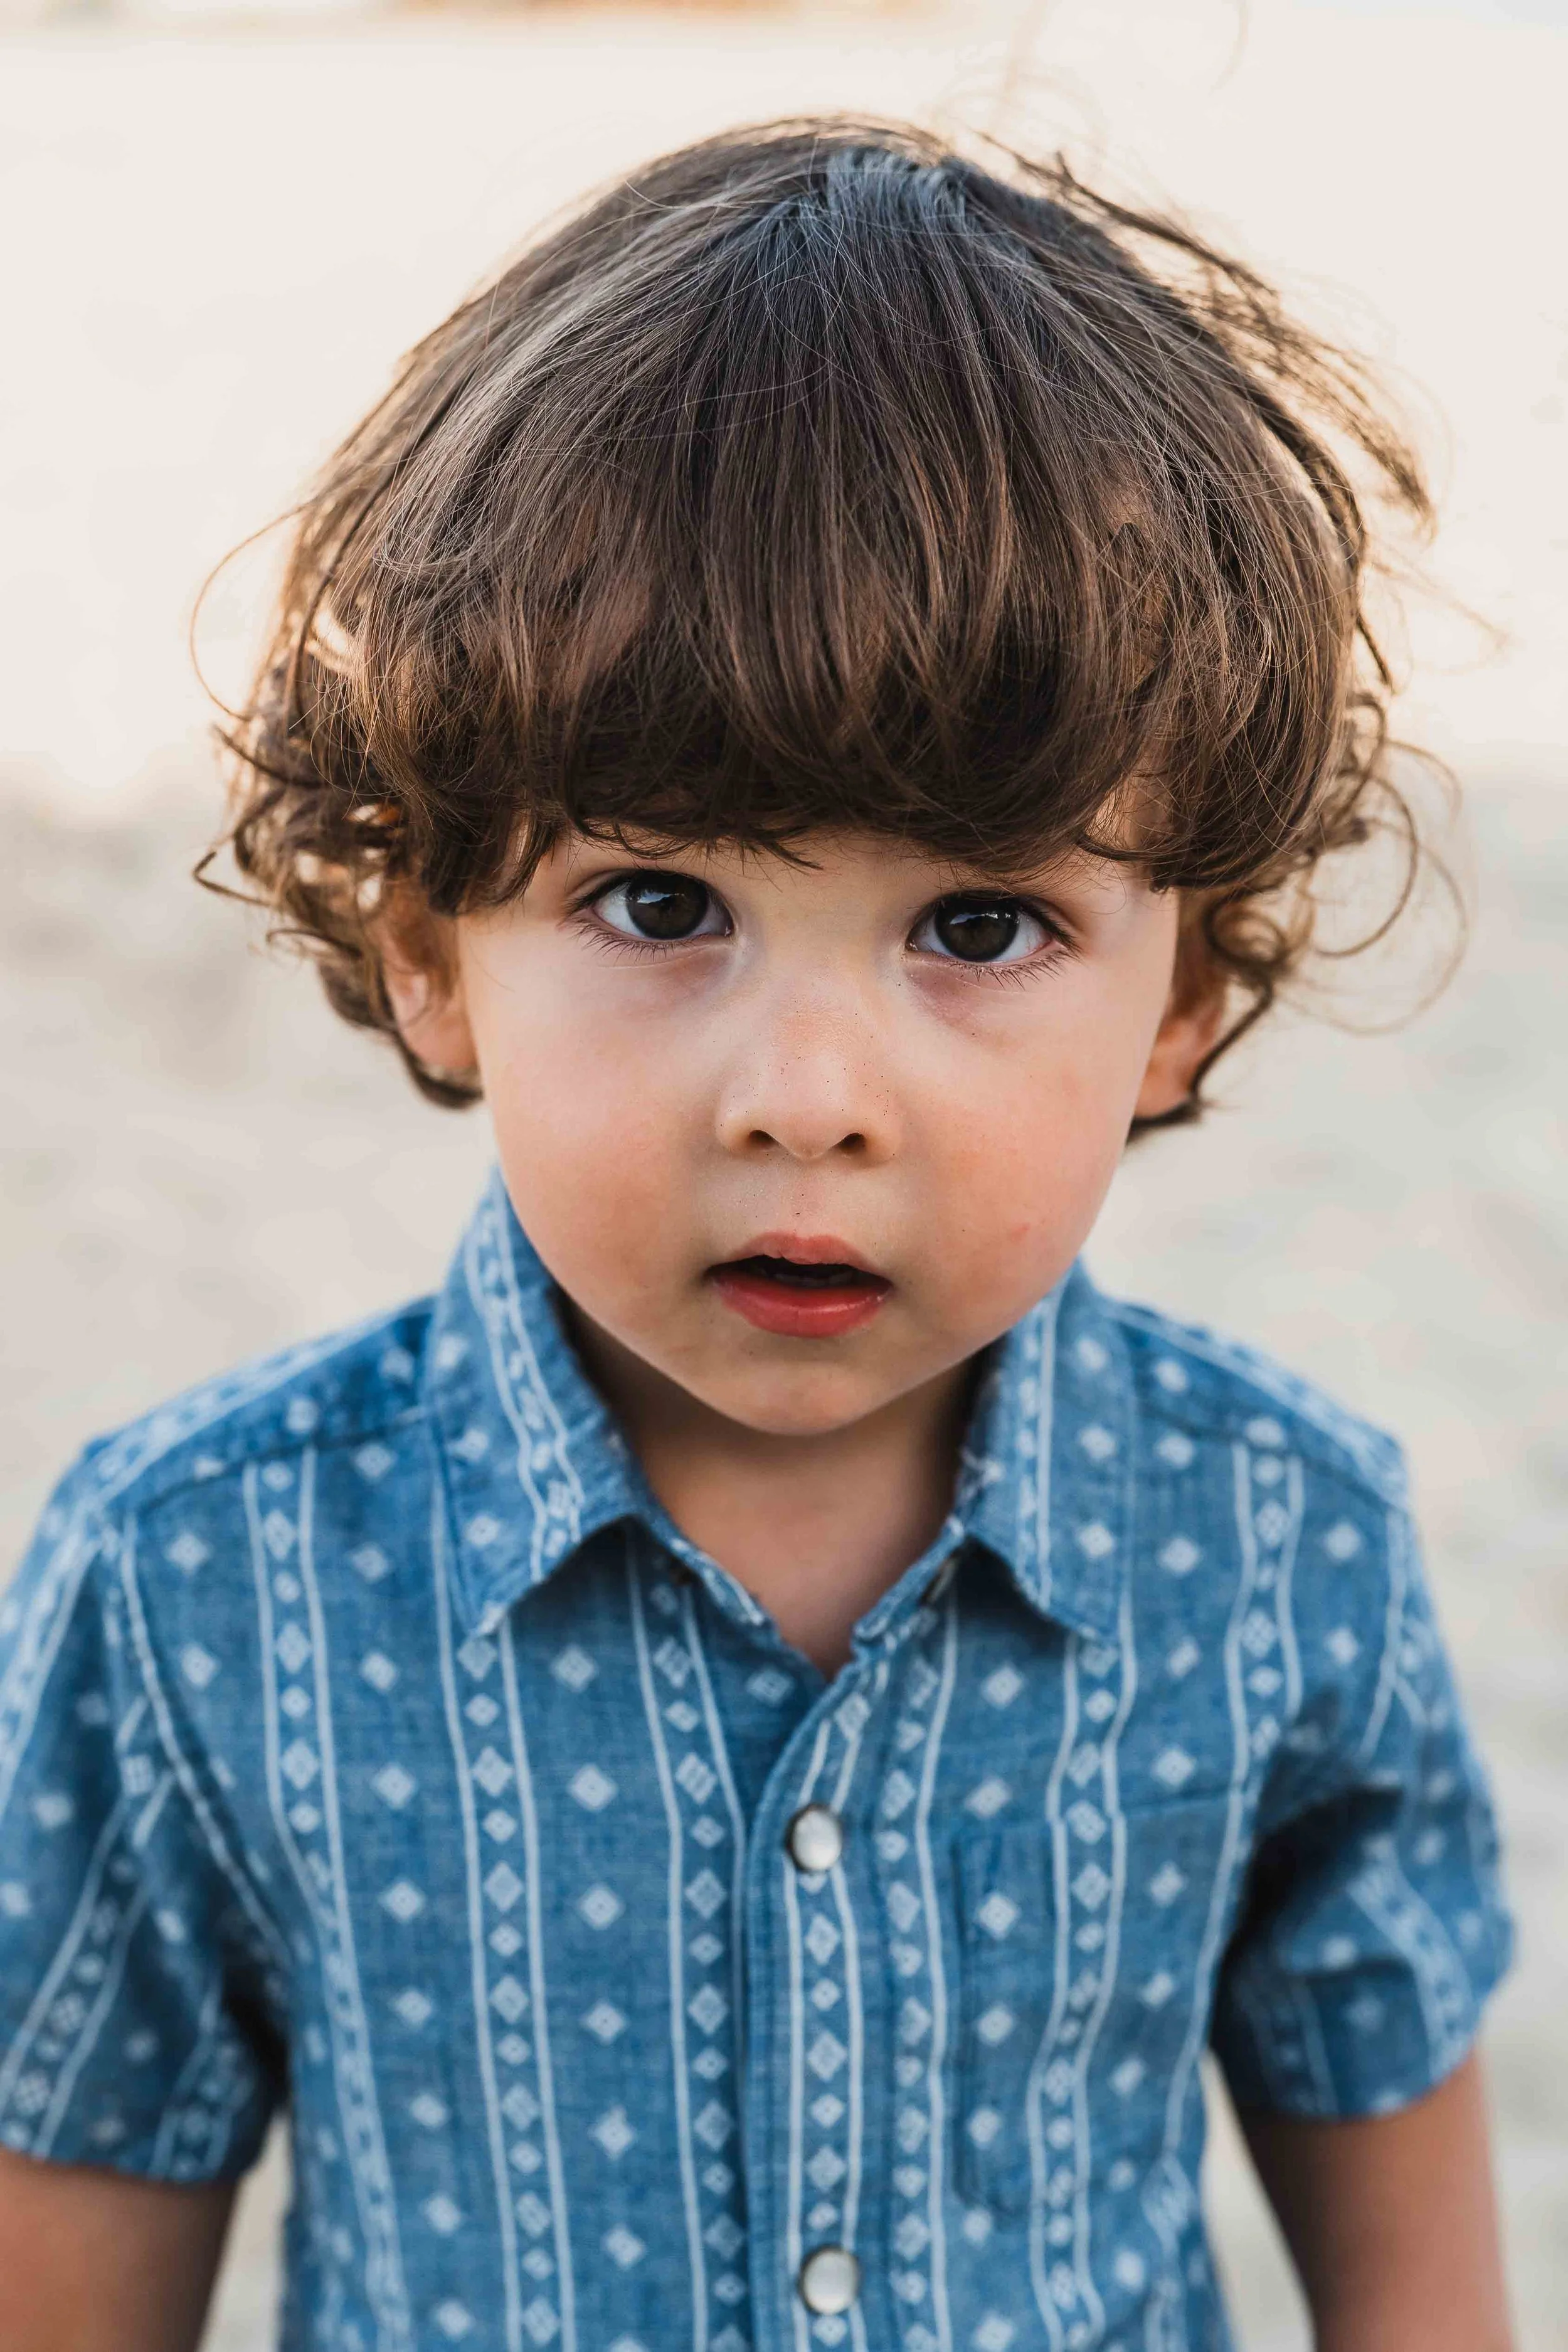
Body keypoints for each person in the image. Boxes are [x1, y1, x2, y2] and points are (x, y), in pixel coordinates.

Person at [0, 120, 1514, 2352]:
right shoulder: (201, 1579)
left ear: (1181, 995)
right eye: (657, 904)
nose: (806, 1089)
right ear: (429, 944)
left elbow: (1422, 2296)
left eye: (979, 923)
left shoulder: (1278, 1545)